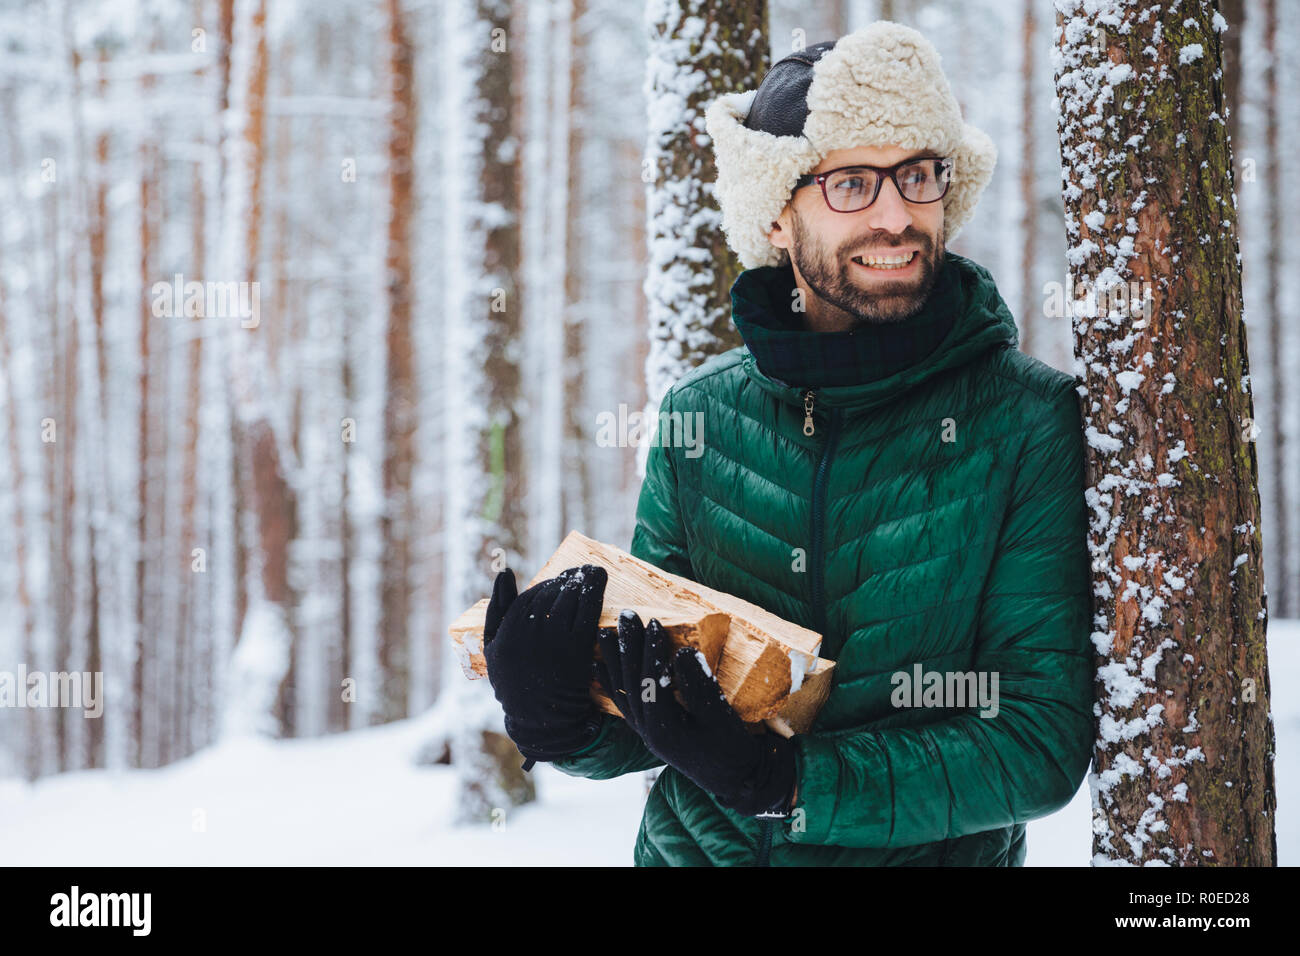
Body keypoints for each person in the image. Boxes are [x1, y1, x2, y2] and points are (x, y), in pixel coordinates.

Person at [481, 20, 1093, 867]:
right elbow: (661, 710)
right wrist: (559, 715)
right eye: (851, 183)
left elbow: (1037, 742)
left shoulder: (1027, 422)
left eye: (917, 175)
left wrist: (791, 781)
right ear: (775, 213)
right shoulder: (701, 418)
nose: (896, 214)